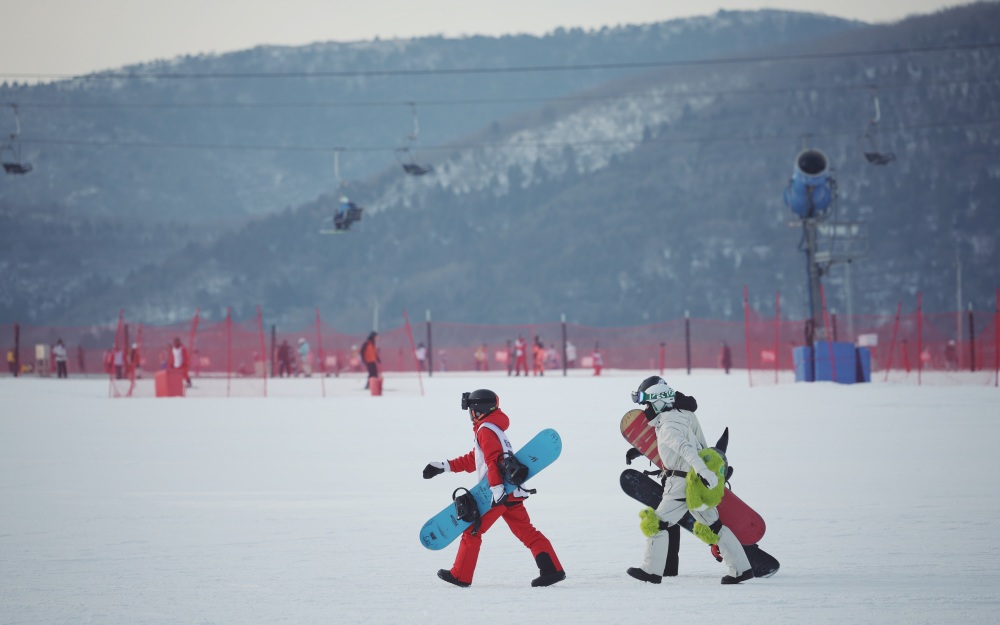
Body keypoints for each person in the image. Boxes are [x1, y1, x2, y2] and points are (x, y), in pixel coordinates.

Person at [423, 389, 566, 588]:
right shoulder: (493, 429)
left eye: (471, 410)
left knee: (472, 529)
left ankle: (460, 575)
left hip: (498, 493)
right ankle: (552, 570)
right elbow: (475, 460)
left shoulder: (486, 430)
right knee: (527, 532)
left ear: (477, 410)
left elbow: (492, 461)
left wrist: (497, 490)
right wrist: (444, 466)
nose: (470, 415)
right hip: (512, 492)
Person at [626, 376, 753, 585]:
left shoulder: (667, 425)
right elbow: (698, 445)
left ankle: (651, 571)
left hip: (681, 483)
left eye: (647, 403)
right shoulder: (683, 415)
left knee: (656, 523)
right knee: (714, 526)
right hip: (696, 483)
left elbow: (686, 449)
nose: (646, 408)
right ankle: (741, 569)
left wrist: (704, 471)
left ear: (658, 401)